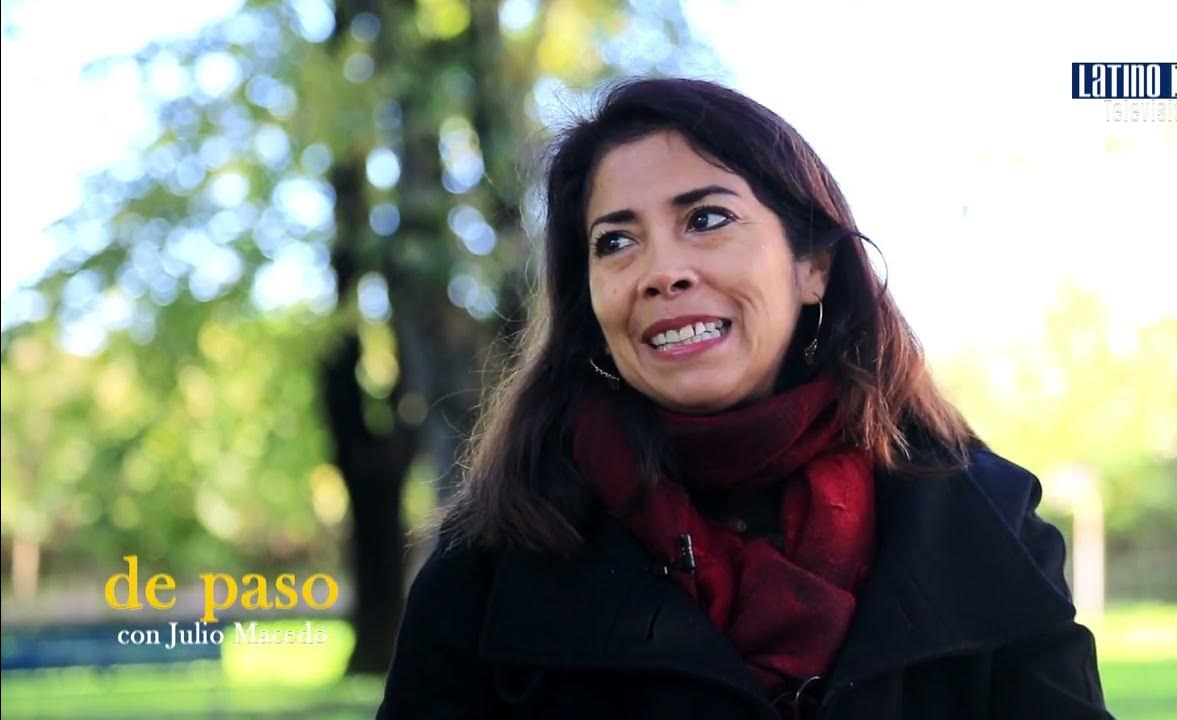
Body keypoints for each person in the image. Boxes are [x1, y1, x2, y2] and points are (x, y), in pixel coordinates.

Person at [377, 76, 1112, 719]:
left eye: (706, 219)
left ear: (813, 267)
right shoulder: (494, 556)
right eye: (615, 242)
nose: (662, 272)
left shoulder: (984, 520)